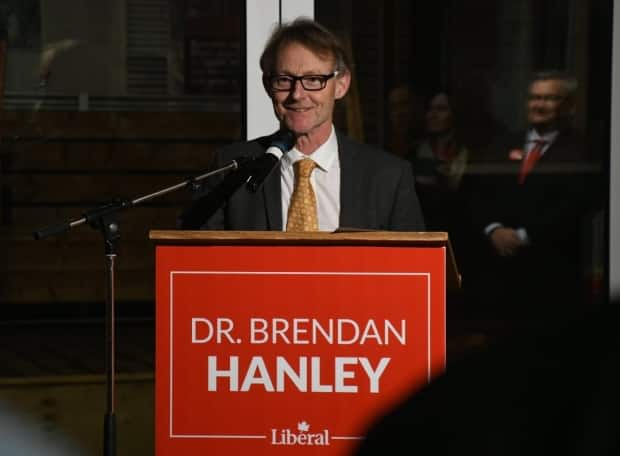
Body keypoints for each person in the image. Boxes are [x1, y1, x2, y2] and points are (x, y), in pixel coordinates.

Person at [179, 18, 425, 232]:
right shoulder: (230, 171)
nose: (297, 94)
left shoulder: (387, 176)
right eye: (284, 80)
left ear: (341, 85)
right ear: (267, 86)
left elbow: (415, 273)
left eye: (313, 79)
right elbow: (196, 265)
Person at [464, 71, 601, 329]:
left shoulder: (583, 149)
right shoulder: (503, 143)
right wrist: (493, 230)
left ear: (569, 105)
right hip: (497, 272)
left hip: (551, 272)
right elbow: (477, 192)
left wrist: (523, 236)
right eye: (534, 97)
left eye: (550, 98)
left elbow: (578, 203)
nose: (539, 105)